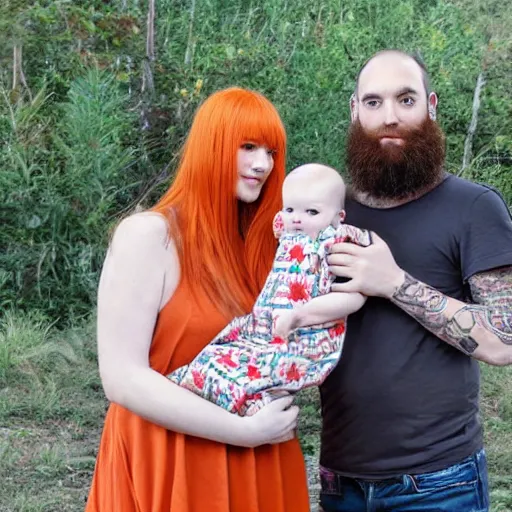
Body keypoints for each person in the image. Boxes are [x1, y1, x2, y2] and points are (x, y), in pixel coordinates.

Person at [85, 87, 311, 512]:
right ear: (212, 145)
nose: (263, 164)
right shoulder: (149, 236)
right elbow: (120, 376)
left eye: (271, 151)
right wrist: (243, 431)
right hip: (170, 458)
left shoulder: (264, 249)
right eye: (248, 147)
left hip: (257, 457)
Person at [318, 49, 512, 511]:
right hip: (339, 481)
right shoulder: (328, 211)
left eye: (406, 100)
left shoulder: (474, 208)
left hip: (440, 484)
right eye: (373, 102)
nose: (389, 117)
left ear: (431, 105)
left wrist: (393, 283)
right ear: (354, 110)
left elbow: (504, 341)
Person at [168, 163, 371, 416]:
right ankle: (190, 389)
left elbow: (353, 297)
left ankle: (250, 401)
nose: (297, 218)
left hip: (304, 336)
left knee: (263, 369)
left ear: (337, 218)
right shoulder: (287, 231)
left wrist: (300, 315)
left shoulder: (334, 243)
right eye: (289, 209)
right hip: (262, 325)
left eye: (311, 211)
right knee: (220, 352)